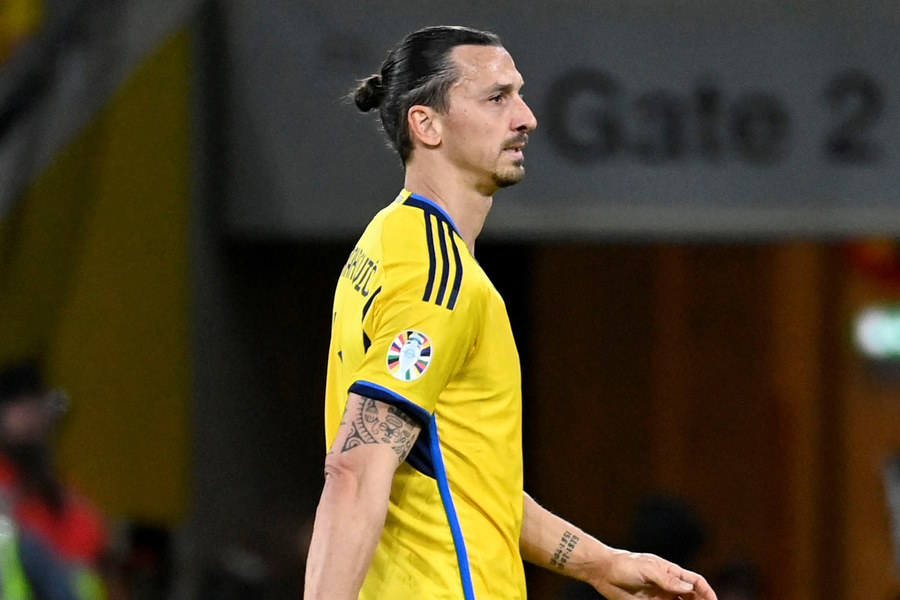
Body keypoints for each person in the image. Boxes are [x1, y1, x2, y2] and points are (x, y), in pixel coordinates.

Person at [303, 25, 718, 600]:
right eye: (497, 98)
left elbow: (466, 480)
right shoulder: (435, 275)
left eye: (519, 94)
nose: (527, 118)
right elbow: (355, 470)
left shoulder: (390, 241)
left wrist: (599, 563)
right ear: (427, 124)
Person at [0, 359, 107, 599]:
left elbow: (89, 555)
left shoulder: (67, 504)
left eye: (35, 408)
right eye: (19, 408)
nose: (30, 420)